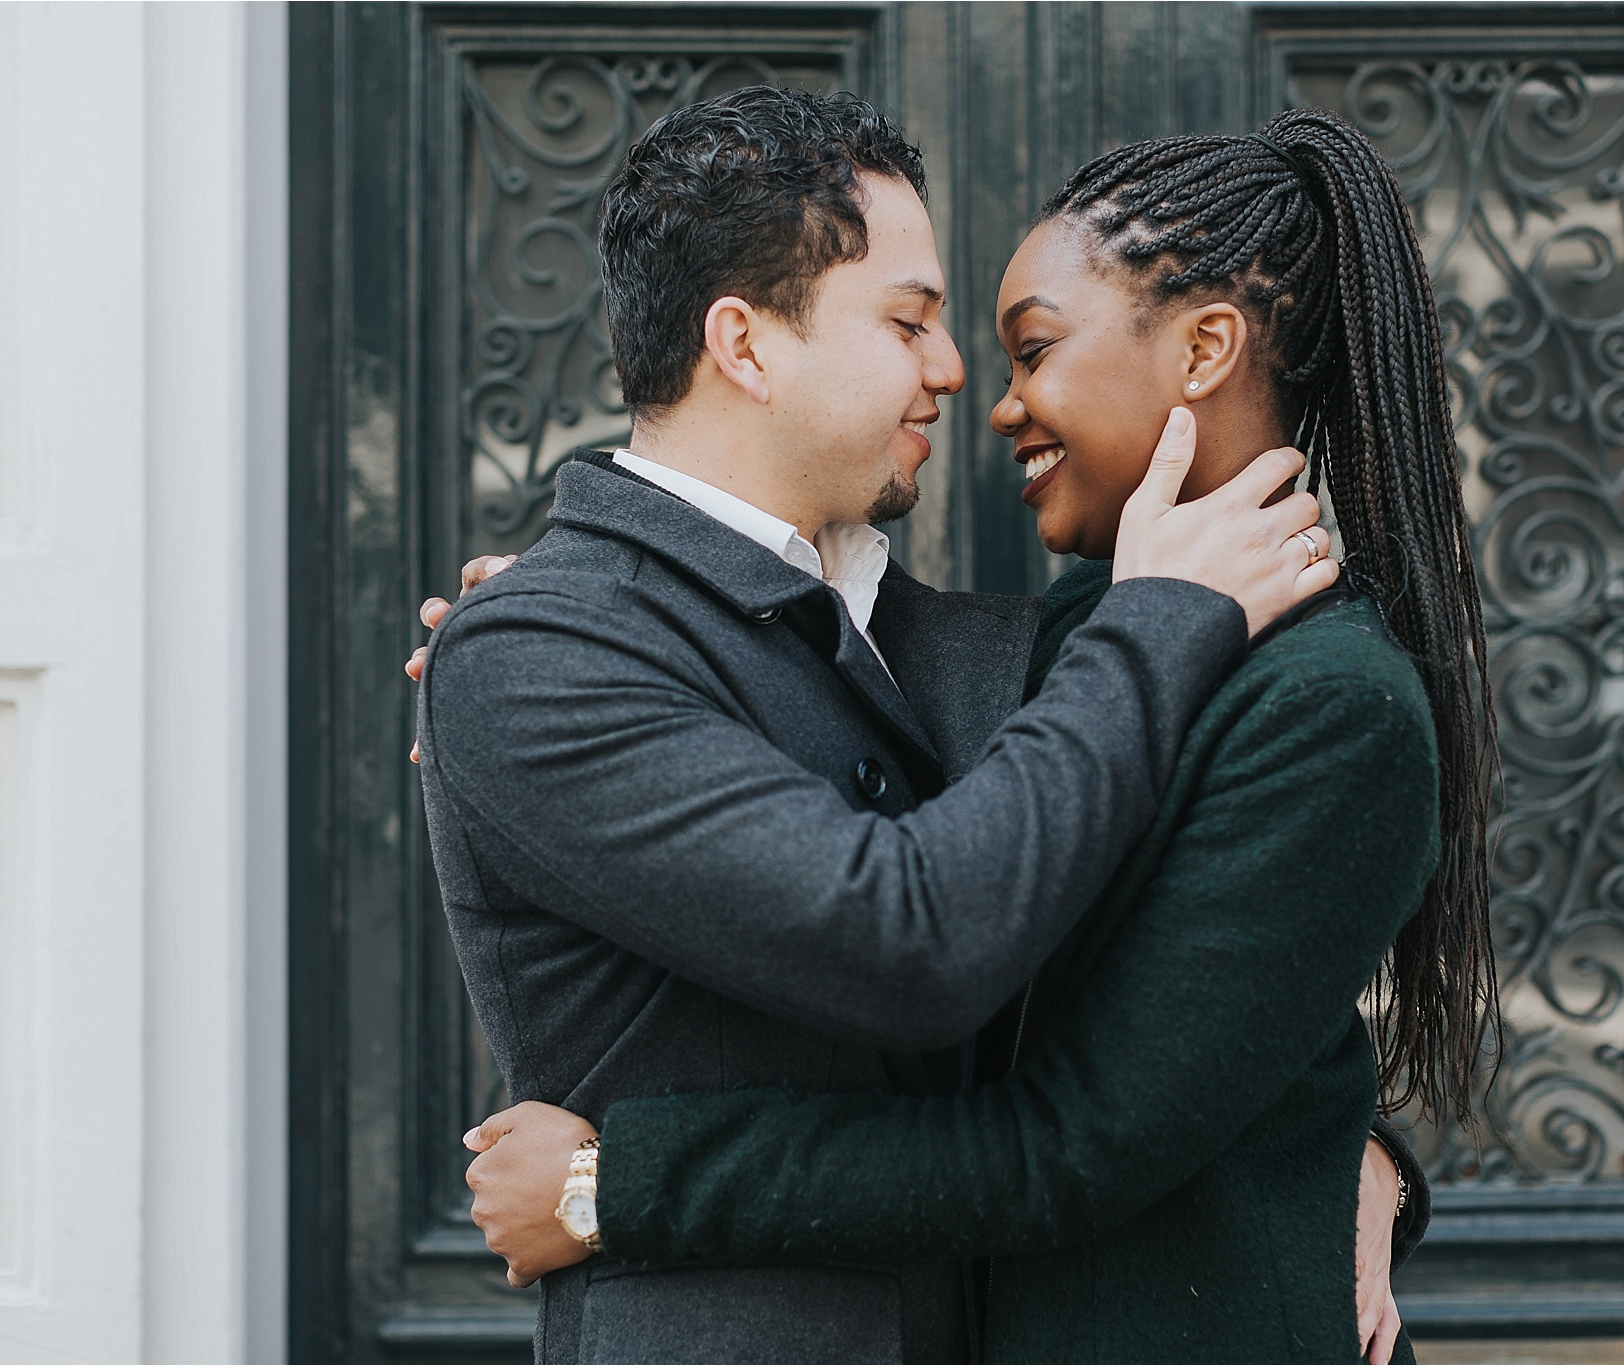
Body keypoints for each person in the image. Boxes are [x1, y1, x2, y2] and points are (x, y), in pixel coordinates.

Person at [454, 104, 1497, 1365]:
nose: (961, 379)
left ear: (1209, 346)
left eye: (1017, 347)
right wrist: (525, 629)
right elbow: (954, 941)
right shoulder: (553, 646)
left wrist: (1352, 1150)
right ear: (743, 342)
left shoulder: (1095, 649)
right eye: (909, 323)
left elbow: (1155, 1017)